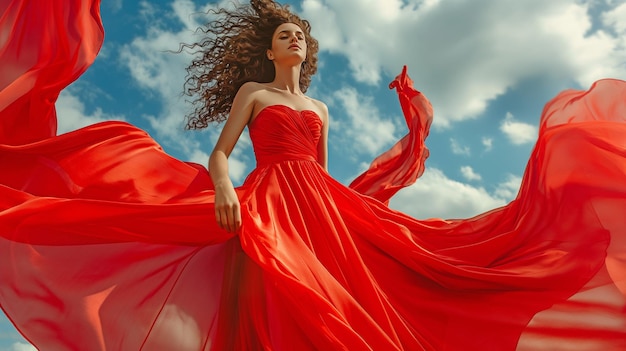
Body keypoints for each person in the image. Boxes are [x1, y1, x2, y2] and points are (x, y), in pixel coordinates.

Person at [1, 0, 626, 350]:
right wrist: (223, 189)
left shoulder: (321, 109)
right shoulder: (255, 92)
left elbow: (324, 172)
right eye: (284, 34)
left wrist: (361, 206)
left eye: (299, 34)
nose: (293, 40)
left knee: (395, 277)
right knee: (280, 290)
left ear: (306, 50)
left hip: (318, 203)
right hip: (268, 198)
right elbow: (222, 153)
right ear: (270, 51)